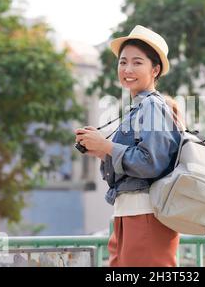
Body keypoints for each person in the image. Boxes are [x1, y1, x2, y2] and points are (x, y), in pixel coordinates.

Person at [75, 25, 182, 267]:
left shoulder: (152, 107)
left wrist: (108, 147)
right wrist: (102, 151)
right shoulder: (137, 108)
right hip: (128, 214)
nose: (127, 69)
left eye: (137, 62)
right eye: (123, 62)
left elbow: (151, 164)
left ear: (155, 70)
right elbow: (137, 162)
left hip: (146, 215)